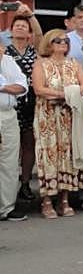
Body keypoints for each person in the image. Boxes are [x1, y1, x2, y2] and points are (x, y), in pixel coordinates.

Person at [32, 29, 83, 219]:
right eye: (58, 40)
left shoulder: (73, 64)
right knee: (48, 154)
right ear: (49, 43)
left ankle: (64, 199)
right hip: (48, 114)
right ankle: (47, 200)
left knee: (67, 153)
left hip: (69, 113)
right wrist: (63, 94)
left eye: (66, 41)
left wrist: (72, 94)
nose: (63, 43)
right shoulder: (41, 64)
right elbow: (39, 88)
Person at [5, 14, 40, 203]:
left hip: (30, 102)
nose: (20, 28)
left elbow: (42, 36)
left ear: (29, 32)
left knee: (28, 144)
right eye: (17, 25)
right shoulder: (5, 52)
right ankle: (8, 185)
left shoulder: (34, 52)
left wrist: (30, 15)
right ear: (11, 30)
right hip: (10, 102)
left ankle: (25, 183)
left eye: (23, 26)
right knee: (10, 147)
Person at [0, 49, 29, 221]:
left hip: (9, 114)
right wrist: (9, 88)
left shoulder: (9, 61)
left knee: (9, 162)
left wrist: (2, 87)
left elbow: (22, 86)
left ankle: (7, 207)